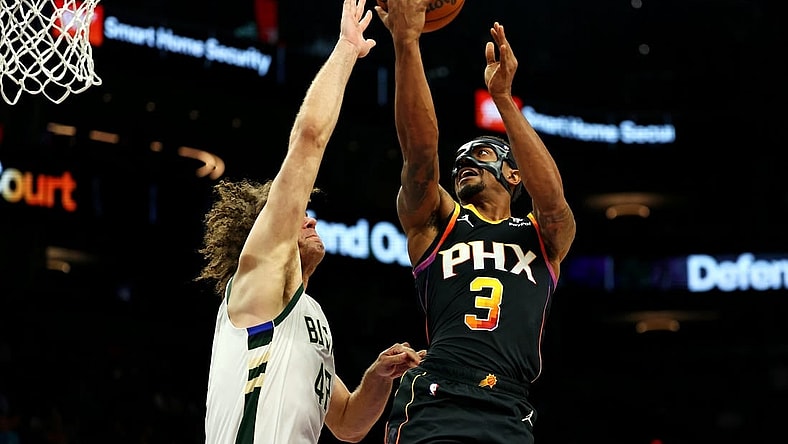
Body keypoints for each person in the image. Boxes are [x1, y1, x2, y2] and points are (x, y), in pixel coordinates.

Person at [196, 1, 425, 442]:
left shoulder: (309, 318)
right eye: (300, 215)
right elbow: (309, 139)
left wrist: (378, 378)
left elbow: (349, 424)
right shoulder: (256, 279)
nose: (311, 219)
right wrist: (345, 49)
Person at [376, 1, 577, 443]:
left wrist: (503, 99)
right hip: (437, 395)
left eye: (482, 154)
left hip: (509, 405)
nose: (464, 160)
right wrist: (407, 43)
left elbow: (555, 202)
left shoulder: (542, 235)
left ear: (514, 173)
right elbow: (420, 154)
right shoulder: (438, 221)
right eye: (461, 159)